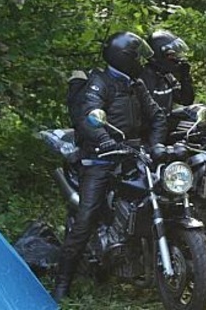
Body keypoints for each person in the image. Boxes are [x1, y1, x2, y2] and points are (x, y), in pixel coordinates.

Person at [53, 31, 167, 302]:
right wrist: (104, 141)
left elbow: (158, 116)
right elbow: (87, 117)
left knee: (167, 192)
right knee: (86, 218)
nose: (141, 61)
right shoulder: (99, 83)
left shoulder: (135, 84)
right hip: (101, 158)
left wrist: (158, 146)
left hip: (133, 154)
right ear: (124, 58)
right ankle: (62, 283)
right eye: (137, 56)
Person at [140, 30, 195, 114]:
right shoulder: (144, 79)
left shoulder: (166, 76)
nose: (175, 58)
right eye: (171, 55)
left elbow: (186, 100)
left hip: (163, 123)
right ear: (158, 54)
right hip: (152, 125)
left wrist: (185, 77)